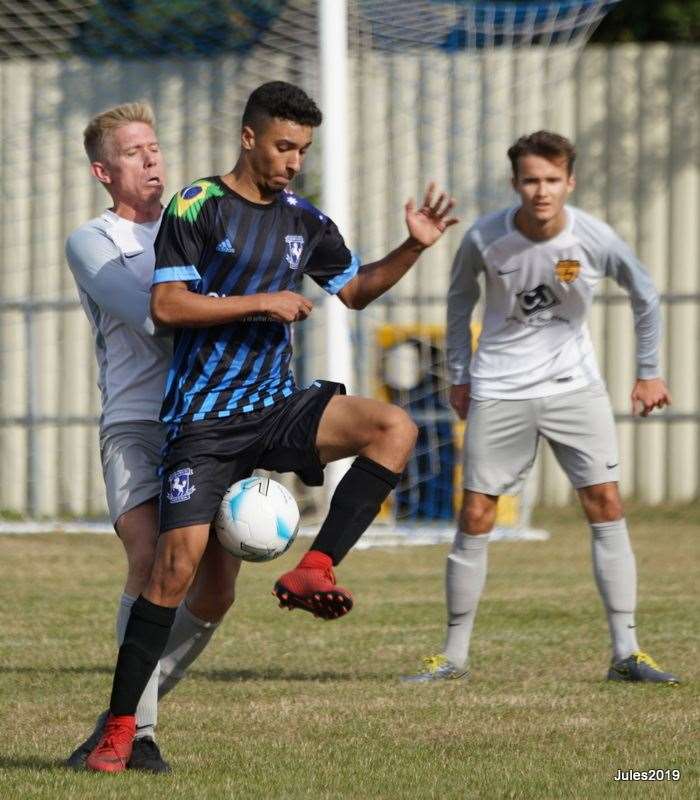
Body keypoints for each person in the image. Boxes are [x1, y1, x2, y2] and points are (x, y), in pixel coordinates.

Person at [83, 80, 457, 773]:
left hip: (276, 407)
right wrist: (261, 302)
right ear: (249, 137)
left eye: (303, 150)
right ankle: (122, 729)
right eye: (284, 145)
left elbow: (354, 290)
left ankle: (316, 568)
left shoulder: (303, 220)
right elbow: (167, 307)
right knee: (173, 572)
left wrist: (413, 246)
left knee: (392, 427)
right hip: (204, 421)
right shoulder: (197, 205)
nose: (293, 160)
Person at [403, 130, 680, 685]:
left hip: (574, 387)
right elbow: (459, 304)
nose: (541, 190)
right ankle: (452, 656)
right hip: (499, 389)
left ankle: (627, 651)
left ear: (569, 182)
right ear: (515, 184)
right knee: (476, 514)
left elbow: (645, 294)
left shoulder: (595, 238)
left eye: (552, 180)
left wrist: (648, 372)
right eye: (531, 180)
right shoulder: (484, 238)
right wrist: (458, 375)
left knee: (604, 502)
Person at [65, 102, 241, 772]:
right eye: (135, 152)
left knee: (216, 589)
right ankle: (137, 735)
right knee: (148, 557)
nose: (152, 161)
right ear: (103, 171)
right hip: (138, 422)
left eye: (156, 148)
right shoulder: (93, 240)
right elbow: (154, 317)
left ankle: (122, 714)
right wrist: (245, 305)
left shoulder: (194, 226)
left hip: (210, 418)